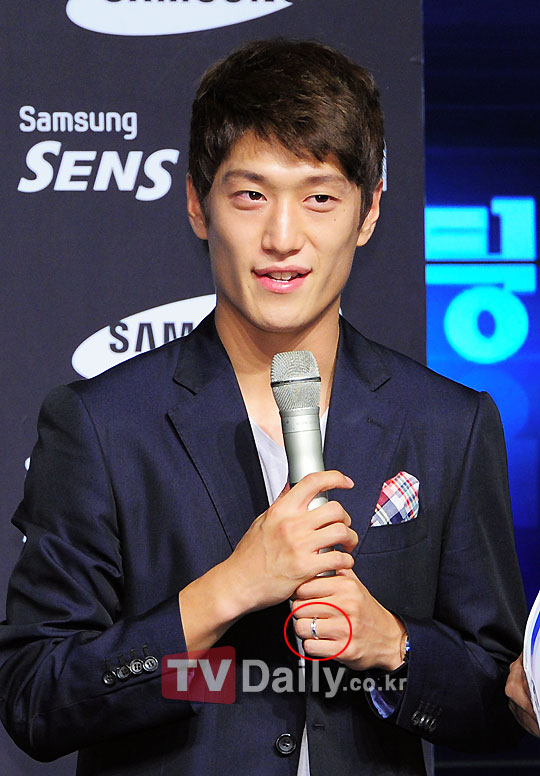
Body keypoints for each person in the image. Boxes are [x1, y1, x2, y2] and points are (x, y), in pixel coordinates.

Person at [0, 38, 528, 776]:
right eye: (251, 196)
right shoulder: (103, 424)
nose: (283, 238)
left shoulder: (448, 424)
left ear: (369, 211)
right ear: (198, 203)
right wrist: (227, 592)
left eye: (320, 198)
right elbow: (35, 697)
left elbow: (502, 704)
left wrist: (393, 646)